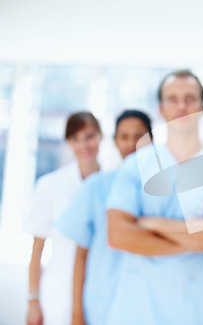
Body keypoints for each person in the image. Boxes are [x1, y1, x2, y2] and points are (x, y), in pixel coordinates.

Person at [105, 70, 203, 325]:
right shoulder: (136, 165)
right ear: (161, 109)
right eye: (172, 99)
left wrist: (153, 224)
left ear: (202, 108)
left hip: (199, 312)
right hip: (138, 311)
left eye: (190, 98)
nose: (182, 105)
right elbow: (118, 235)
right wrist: (197, 238)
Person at [55, 110, 153, 325]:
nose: (131, 144)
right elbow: (80, 256)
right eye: (123, 137)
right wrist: (76, 315)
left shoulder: (167, 191)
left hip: (149, 307)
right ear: (115, 142)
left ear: (152, 140)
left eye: (139, 136)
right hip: (102, 305)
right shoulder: (96, 187)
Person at [25, 112, 102, 325]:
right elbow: (37, 249)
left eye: (89, 136)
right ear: (68, 143)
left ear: (100, 136)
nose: (83, 145)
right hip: (59, 293)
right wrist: (33, 301)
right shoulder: (50, 185)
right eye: (75, 139)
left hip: (100, 290)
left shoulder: (112, 183)